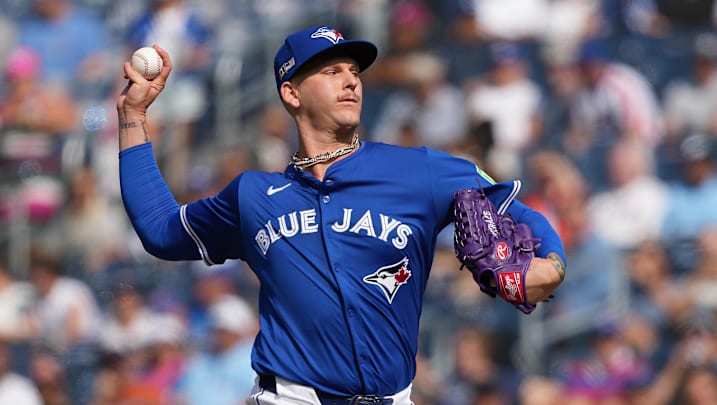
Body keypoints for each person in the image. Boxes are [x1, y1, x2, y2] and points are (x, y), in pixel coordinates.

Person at [116, 25, 566, 404]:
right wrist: (133, 116)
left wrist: (552, 265)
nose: (351, 81)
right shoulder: (253, 195)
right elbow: (160, 230)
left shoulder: (418, 170)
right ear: (291, 93)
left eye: (354, 71)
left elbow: (516, 207)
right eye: (331, 71)